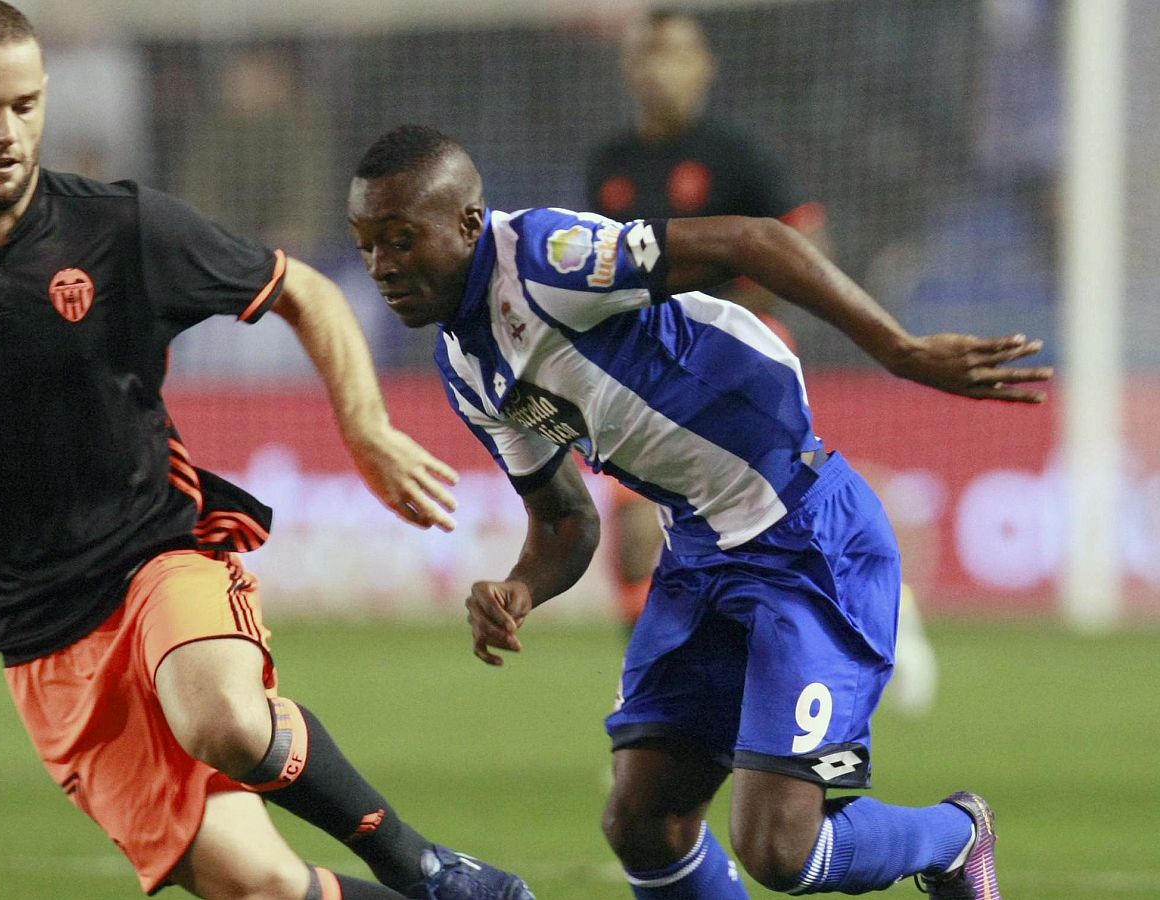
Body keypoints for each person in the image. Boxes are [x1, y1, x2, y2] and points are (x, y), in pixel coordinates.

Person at [0, 6, 535, 900]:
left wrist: (366, 430)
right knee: (259, 888)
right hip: (39, 635)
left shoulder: (118, 227)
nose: (7, 132)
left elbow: (301, 288)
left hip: (158, 555)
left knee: (220, 715)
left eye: (26, 106)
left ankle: (419, 863)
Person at [346, 125, 1049, 898]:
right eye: (368, 244)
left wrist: (900, 350)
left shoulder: (546, 258)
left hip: (805, 537)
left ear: (469, 223)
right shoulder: (464, 365)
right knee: (644, 824)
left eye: (402, 239)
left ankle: (953, 838)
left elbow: (753, 240)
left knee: (780, 850)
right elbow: (564, 521)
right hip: (700, 556)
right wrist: (521, 587)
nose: (382, 266)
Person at [586, 11, 938, 717]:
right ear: (630, 68)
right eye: (651, 52)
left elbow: (807, 243)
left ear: (706, 67)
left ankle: (881, 605)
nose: (663, 68)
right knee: (634, 542)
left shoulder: (734, 153)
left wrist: (741, 303)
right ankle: (662, 716)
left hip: (734, 359)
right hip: (646, 372)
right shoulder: (609, 164)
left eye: (680, 53)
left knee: (766, 530)